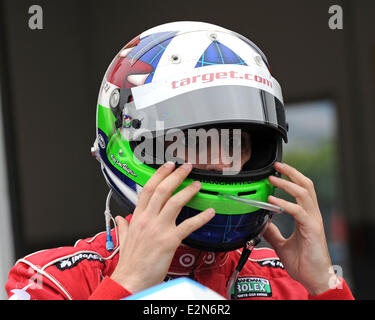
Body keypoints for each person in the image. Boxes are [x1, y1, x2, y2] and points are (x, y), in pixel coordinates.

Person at [5, 21, 354, 300]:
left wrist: (324, 285)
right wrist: (127, 284)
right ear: (135, 145)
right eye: (197, 141)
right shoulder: (54, 280)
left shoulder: (284, 282)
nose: (222, 161)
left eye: (238, 143)